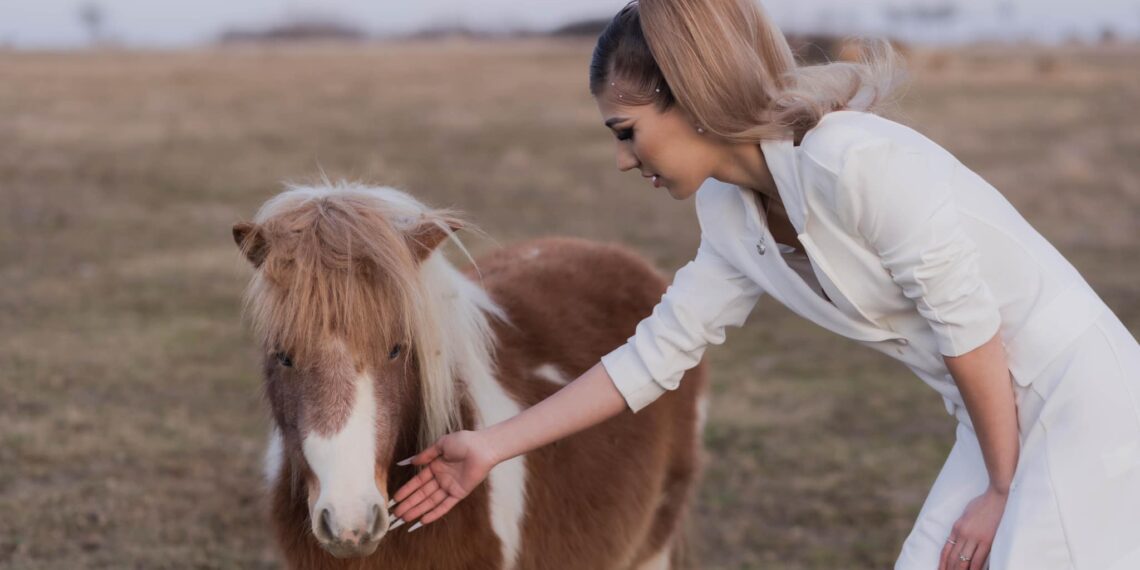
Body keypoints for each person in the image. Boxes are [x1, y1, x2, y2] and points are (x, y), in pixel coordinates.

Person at [388, 1, 1140, 568]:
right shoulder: (731, 211)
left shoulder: (853, 163)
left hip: (1081, 405)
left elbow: (970, 326)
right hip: (995, 421)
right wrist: (491, 446)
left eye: (626, 131)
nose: (623, 159)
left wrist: (1002, 491)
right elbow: (654, 357)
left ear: (691, 94)